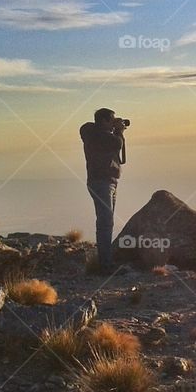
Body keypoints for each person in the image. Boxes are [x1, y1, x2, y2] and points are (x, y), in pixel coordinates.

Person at [81, 108, 127, 273]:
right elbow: (117, 144)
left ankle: (106, 262)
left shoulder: (96, 134)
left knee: (107, 222)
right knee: (105, 224)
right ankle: (105, 266)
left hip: (107, 182)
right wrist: (119, 131)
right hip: (101, 183)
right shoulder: (97, 136)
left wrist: (115, 130)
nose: (114, 123)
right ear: (104, 121)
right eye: (112, 120)